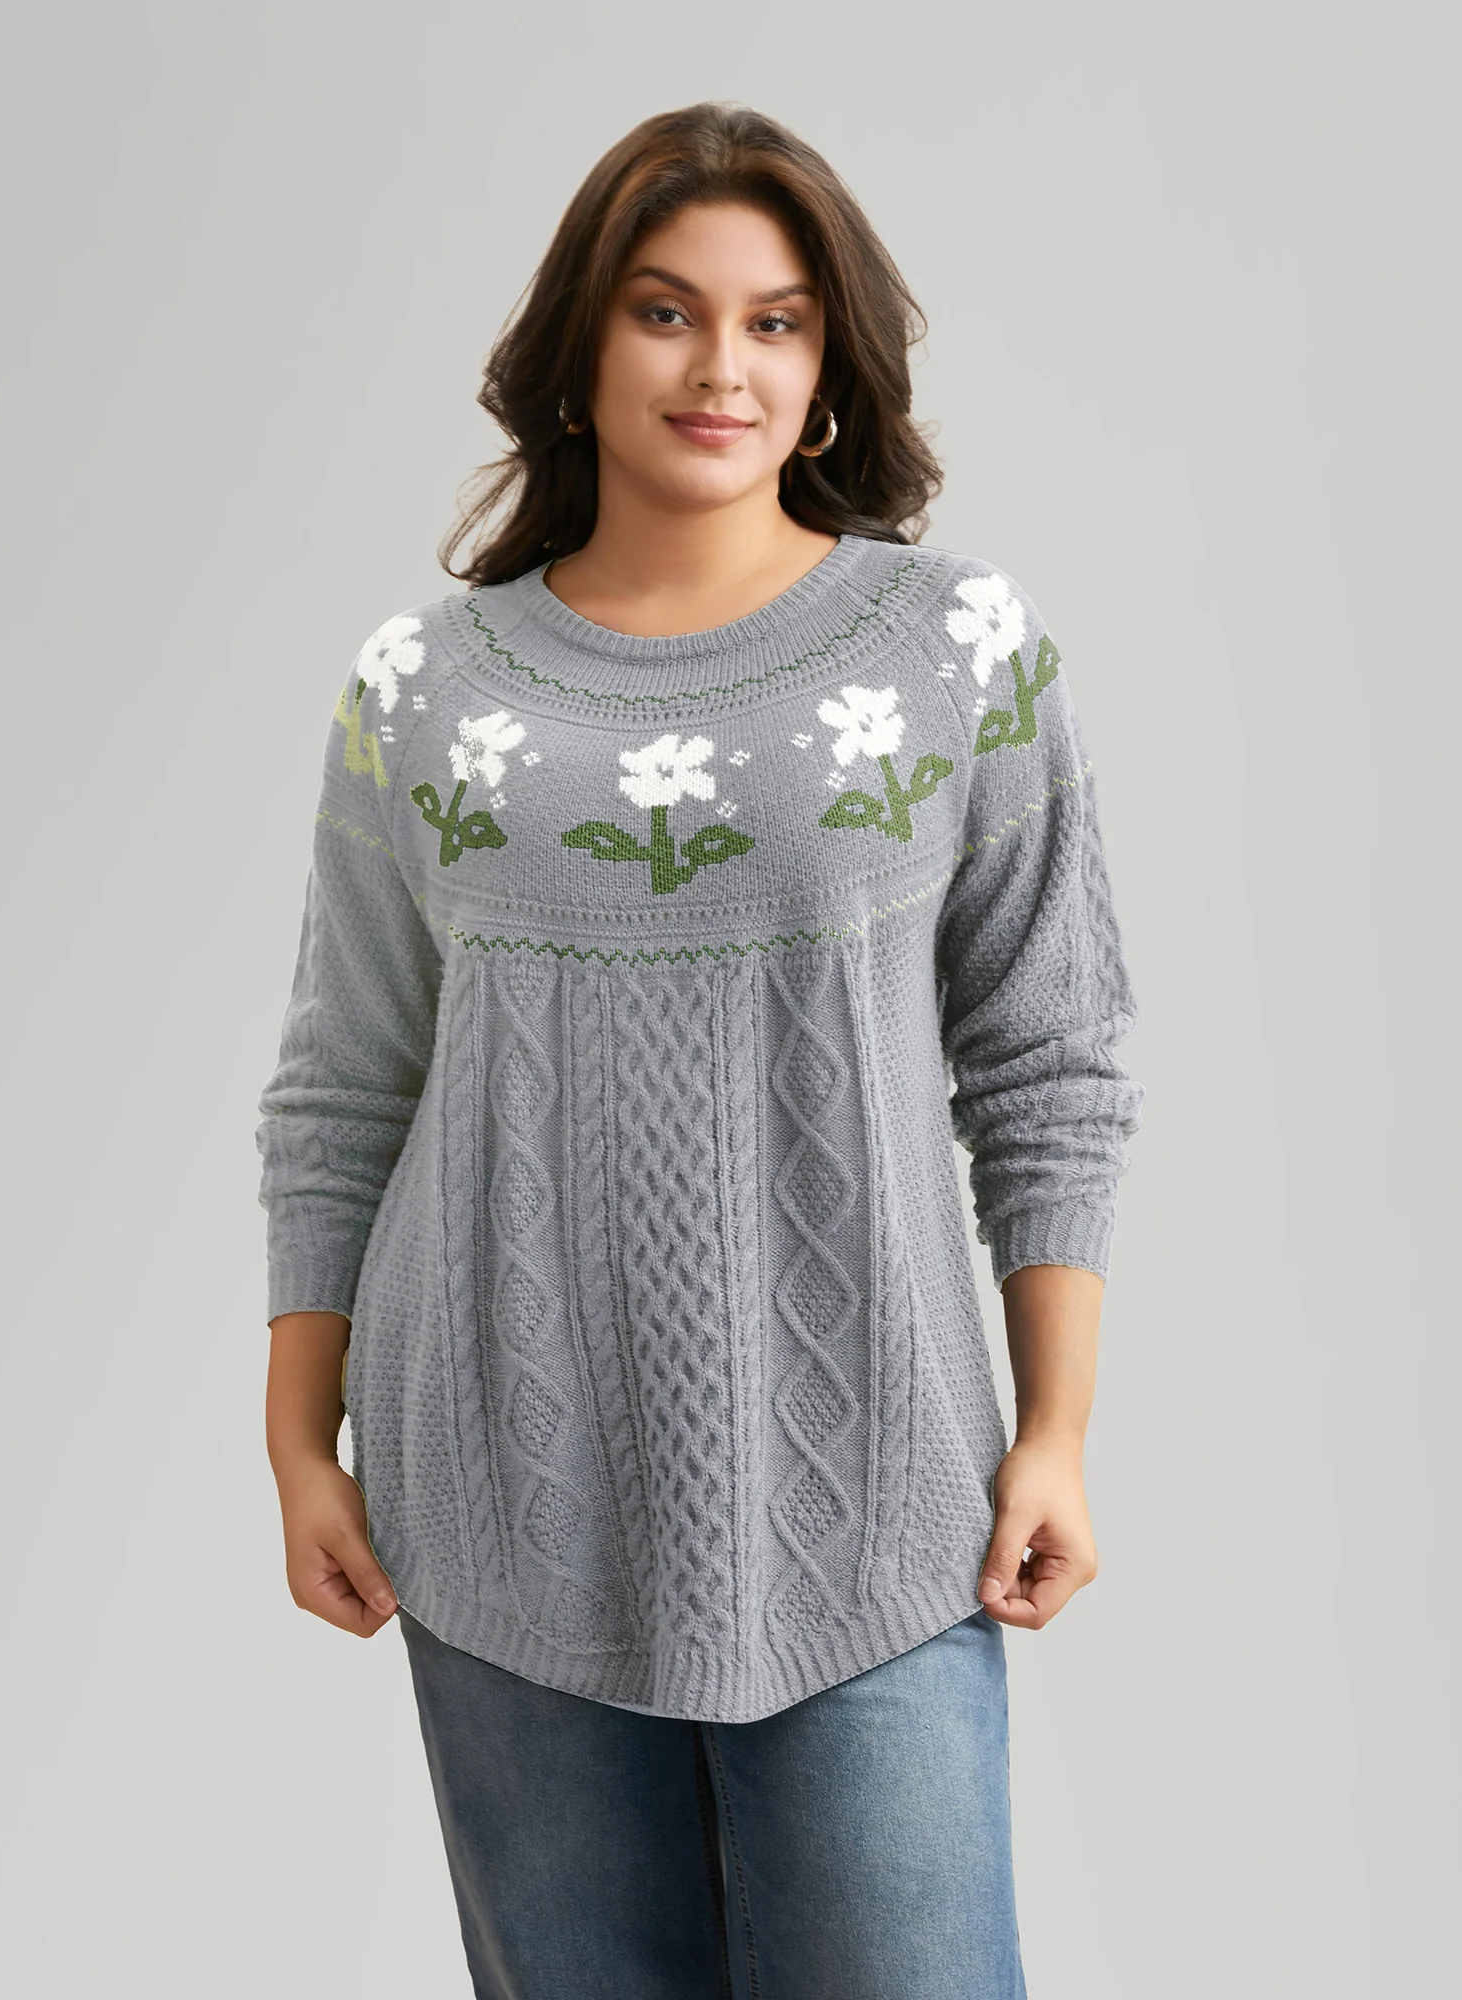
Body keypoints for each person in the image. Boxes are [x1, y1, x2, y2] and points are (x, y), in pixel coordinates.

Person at [255, 100, 1145, 2000]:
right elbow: (344, 1083)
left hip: (879, 1493)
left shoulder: (953, 649)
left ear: (827, 371)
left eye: (775, 321)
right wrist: (294, 1438)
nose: (719, 365)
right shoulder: (426, 691)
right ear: (580, 348)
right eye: (665, 311)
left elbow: (1050, 1055)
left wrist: (1055, 1429)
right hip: (496, 1488)